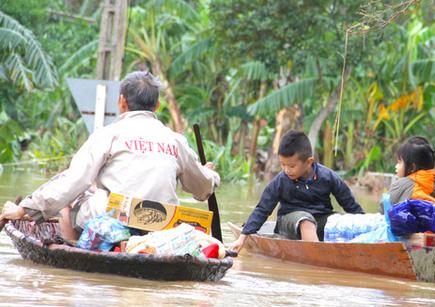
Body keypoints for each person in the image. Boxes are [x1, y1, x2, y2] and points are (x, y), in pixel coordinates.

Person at [0, 71, 220, 240]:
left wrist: (24, 208)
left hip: (116, 219)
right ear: (157, 105)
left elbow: (72, 181)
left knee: (71, 198)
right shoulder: (176, 140)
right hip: (162, 224)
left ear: (121, 101)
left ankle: (76, 252)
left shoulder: (109, 134)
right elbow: (203, 189)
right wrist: (209, 175)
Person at [229, 130, 364, 252]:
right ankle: (316, 257)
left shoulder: (328, 177)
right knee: (306, 220)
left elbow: (351, 206)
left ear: (309, 162)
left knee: (342, 220)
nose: (286, 170)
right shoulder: (281, 180)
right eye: (282, 164)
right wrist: (242, 238)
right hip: (290, 222)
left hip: (320, 219)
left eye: (292, 166)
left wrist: (366, 225)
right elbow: (262, 209)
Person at [384, 136, 435, 210]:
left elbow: (383, 206)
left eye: (399, 162)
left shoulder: (403, 183)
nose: (396, 166)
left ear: (412, 167)